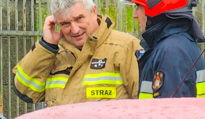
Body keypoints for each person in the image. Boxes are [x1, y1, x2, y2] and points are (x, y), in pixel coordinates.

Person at [12, 0, 141, 106]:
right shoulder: (53, 53)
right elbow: (25, 92)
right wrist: (46, 46)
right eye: (65, 23)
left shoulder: (125, 47)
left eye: (79, 18)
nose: (74, 29)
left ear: (94, 11)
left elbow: (147, 107)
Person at [129, 0, 205, 98]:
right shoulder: (175, 45)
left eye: (138, 7)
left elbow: (172, 111)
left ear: (155, 8)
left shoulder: (172, 53)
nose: (134, 15)